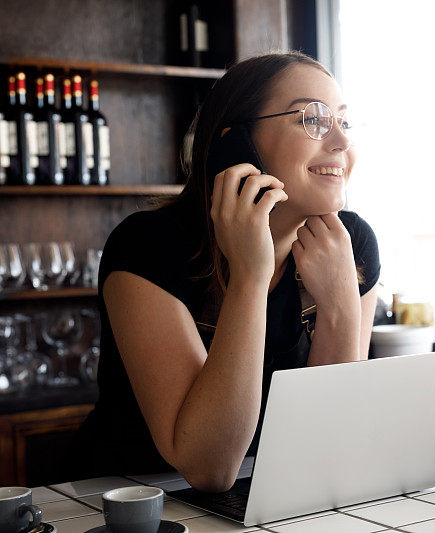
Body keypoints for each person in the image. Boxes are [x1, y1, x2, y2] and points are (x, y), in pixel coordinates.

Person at [65, 52, 380, 491]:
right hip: (124, 501)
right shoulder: (149, 245)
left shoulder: (351, 244)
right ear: (238, 146)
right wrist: (252, 277)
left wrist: (342, 309)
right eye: (312, 119)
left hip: (269, 492)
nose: (341, 144)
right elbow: (208, 467)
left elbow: (327, 447)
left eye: (343, 123)